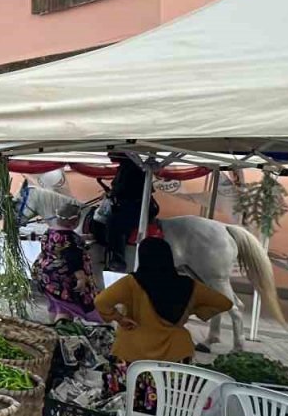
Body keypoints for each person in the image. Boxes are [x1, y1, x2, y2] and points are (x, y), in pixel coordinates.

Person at [94, 237, 232, 364]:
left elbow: (101, 301)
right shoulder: (190, 285)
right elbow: (224, 303)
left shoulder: (131, 282)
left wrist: (120, 318)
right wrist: (191, 309)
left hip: (133, 351)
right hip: (176, 351)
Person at [35, 202, 101, 323]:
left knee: (55, 305)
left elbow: (60, 244)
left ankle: (53, 329)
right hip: (63, 280)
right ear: (75, 221)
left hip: (46, 277)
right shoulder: (71, 239)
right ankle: (63, 332)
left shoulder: (49, 232)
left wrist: (82, 238)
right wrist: (81, 278)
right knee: (65, 310)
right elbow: (73, 260)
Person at [106, 153, 159, 272]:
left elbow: (126, 189)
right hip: (132, 205)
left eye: (112, 152)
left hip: (136, 207)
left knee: (113, 222)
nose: (108, 154)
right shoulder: (126, 166)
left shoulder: (132, 167)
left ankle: (118, 258)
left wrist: (114, 193)